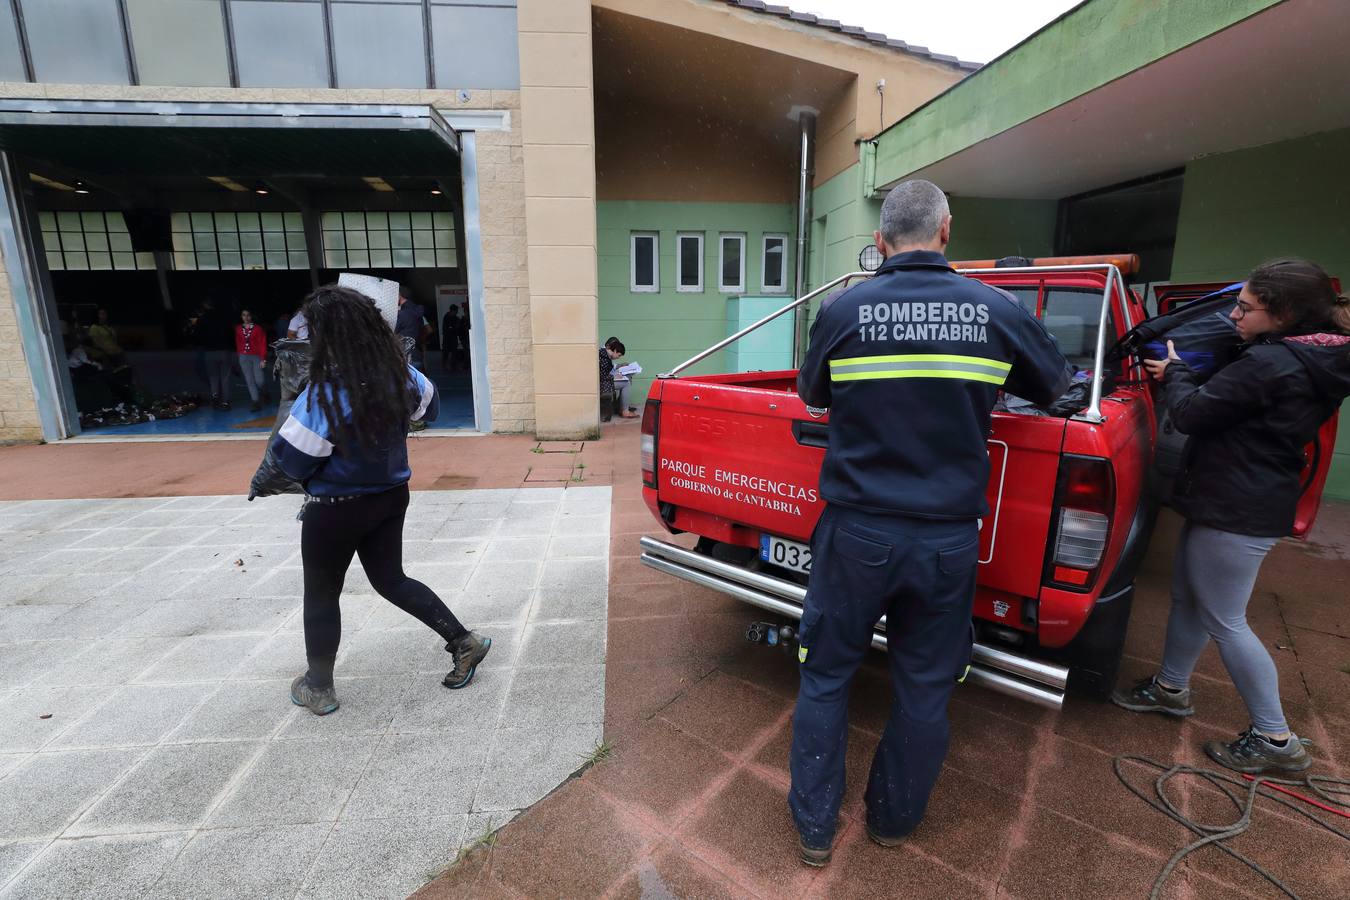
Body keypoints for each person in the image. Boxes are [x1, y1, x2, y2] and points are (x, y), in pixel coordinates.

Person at [789, 179, 1071, 866]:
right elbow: (1057, 389)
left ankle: (816, 830)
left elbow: (812, 395)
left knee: (826, 675)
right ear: (947, 231)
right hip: (946, 541)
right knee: (924, 685)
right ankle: (891, 821)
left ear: (881, 242)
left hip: (856, 532)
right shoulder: (995, 309)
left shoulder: (844, 308)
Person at [1112, 259, 1350, 774]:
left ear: (1284, 314)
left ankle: (1274, 737)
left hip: (1239, 505)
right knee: (1190, 597)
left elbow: (1193, 413)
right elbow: (1232, 404)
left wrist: (1175, 371)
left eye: (1245, 308)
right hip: (1237, 493)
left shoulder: (1272, 363)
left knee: (1227, 619)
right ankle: (1171, 688)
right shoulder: (1301, 355)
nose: (1234, 316)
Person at [269, 285, 491, 716]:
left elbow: (293, 460)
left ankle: (319, 686)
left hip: (335, 510)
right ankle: (464, 642)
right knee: (391, 579)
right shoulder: (402, 374)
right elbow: (429, 411)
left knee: (320, 594)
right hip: (391, 497)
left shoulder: (326, 392)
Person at [235, 309, 270, 412]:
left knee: (260, 380)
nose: (246, 317)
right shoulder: (238, 329)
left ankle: (265, 392)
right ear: (241, 317)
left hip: (256, 356)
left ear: (251, 316)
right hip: (244, 357)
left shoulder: (258, 329)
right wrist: (239, 355)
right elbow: (238, 342)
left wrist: (263, 359)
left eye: (248, 315)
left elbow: (262, 343)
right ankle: (255, 401)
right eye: (244, 315)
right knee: (249, 380)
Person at [395, 286, 431, 370]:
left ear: (399, 295)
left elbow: (391, 332)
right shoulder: (418, 313)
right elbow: (427, 330)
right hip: (417, 355)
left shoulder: (402, 314)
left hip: (405, 358)